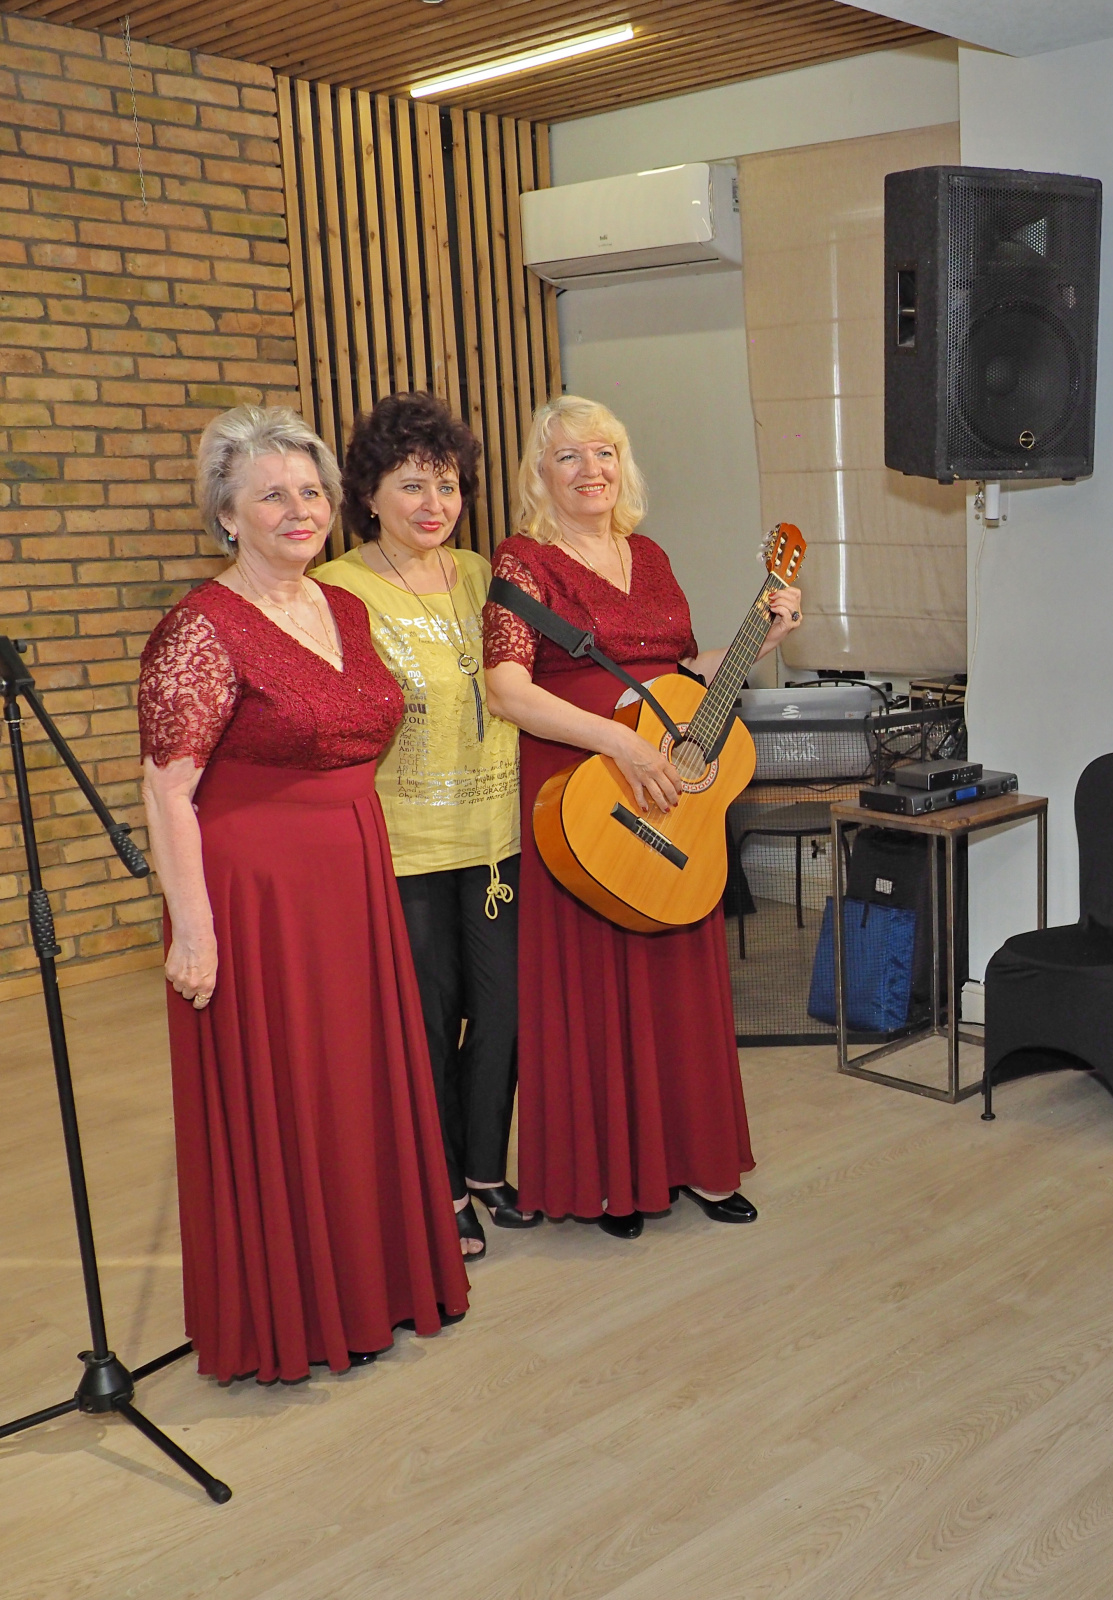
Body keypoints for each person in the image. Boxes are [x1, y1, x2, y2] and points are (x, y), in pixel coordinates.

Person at [138, 407, 469, 1383]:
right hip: (258, 891)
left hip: (353, 871)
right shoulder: (200, 627)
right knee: (289, 1093)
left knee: (356, 1084)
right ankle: (298, 1310)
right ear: (227, 516)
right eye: (272, 495)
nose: (299, 510)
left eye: (312, 492)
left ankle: (376, 1284)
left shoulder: (344, 607)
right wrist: (193, 927)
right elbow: (167, 788)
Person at [482, 396, 802, 1239]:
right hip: (580, 793)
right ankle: (605, 1181)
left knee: (679, 986)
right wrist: (618, 747)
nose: (590, 470)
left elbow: (676, 676)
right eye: (568, 456)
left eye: (604, 452)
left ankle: (696, 1163)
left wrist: (761, 641)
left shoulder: (650, 555)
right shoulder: (523, 560)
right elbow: (507, 690)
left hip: (670, 786)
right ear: (539, 474)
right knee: (591, 989)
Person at [317, 394, 529, 1263]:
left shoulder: (481, 573)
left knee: (504, 1015)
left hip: (499, 838)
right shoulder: (338, 590)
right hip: (404, 847)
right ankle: (441, 1189)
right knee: (429, 1025)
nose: (433, 503)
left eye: (446, 484)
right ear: (368, 495)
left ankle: (484, 1168)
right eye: (411, 485)